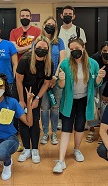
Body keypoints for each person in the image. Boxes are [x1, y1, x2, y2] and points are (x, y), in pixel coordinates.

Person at [53, 37, 105, 173]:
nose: (75, 51)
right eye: (72, 49)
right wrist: (62, 80)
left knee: (80, 126)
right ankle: (61, 160)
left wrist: (99, 76)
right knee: (66, 128)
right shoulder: (65, 64)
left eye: (77, 48)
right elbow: (61, 85)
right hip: (69, 101)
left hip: (84, 100)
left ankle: (76, 149)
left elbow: (96, 84)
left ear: (83, 47)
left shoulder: (93, 64)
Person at [15, 36, 53, 163]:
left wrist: (37, 98)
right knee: (24, 120)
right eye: (39, 47)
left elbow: (46, 84)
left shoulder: (49, 63)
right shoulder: (25, 60)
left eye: (44, 48)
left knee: (35, 121)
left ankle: (35, 149)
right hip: (22, 92)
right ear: (34, 47)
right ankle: (26, 149)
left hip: (37, 93)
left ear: (48, 49)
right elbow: (19, 81)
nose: (41, 50)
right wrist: (21, 100)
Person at [39, 16, 66, 146]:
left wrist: (54, 77)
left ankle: (54, 133)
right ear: (43, 25)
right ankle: (45, 133)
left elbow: (62, 60)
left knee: (55, 107)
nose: (50, 26)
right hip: (43, 81)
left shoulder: (59, 42)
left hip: (56, 80)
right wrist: (46, 79)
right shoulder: (38, 41)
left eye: (53, 24)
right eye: (48, 23)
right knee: (44, 108)